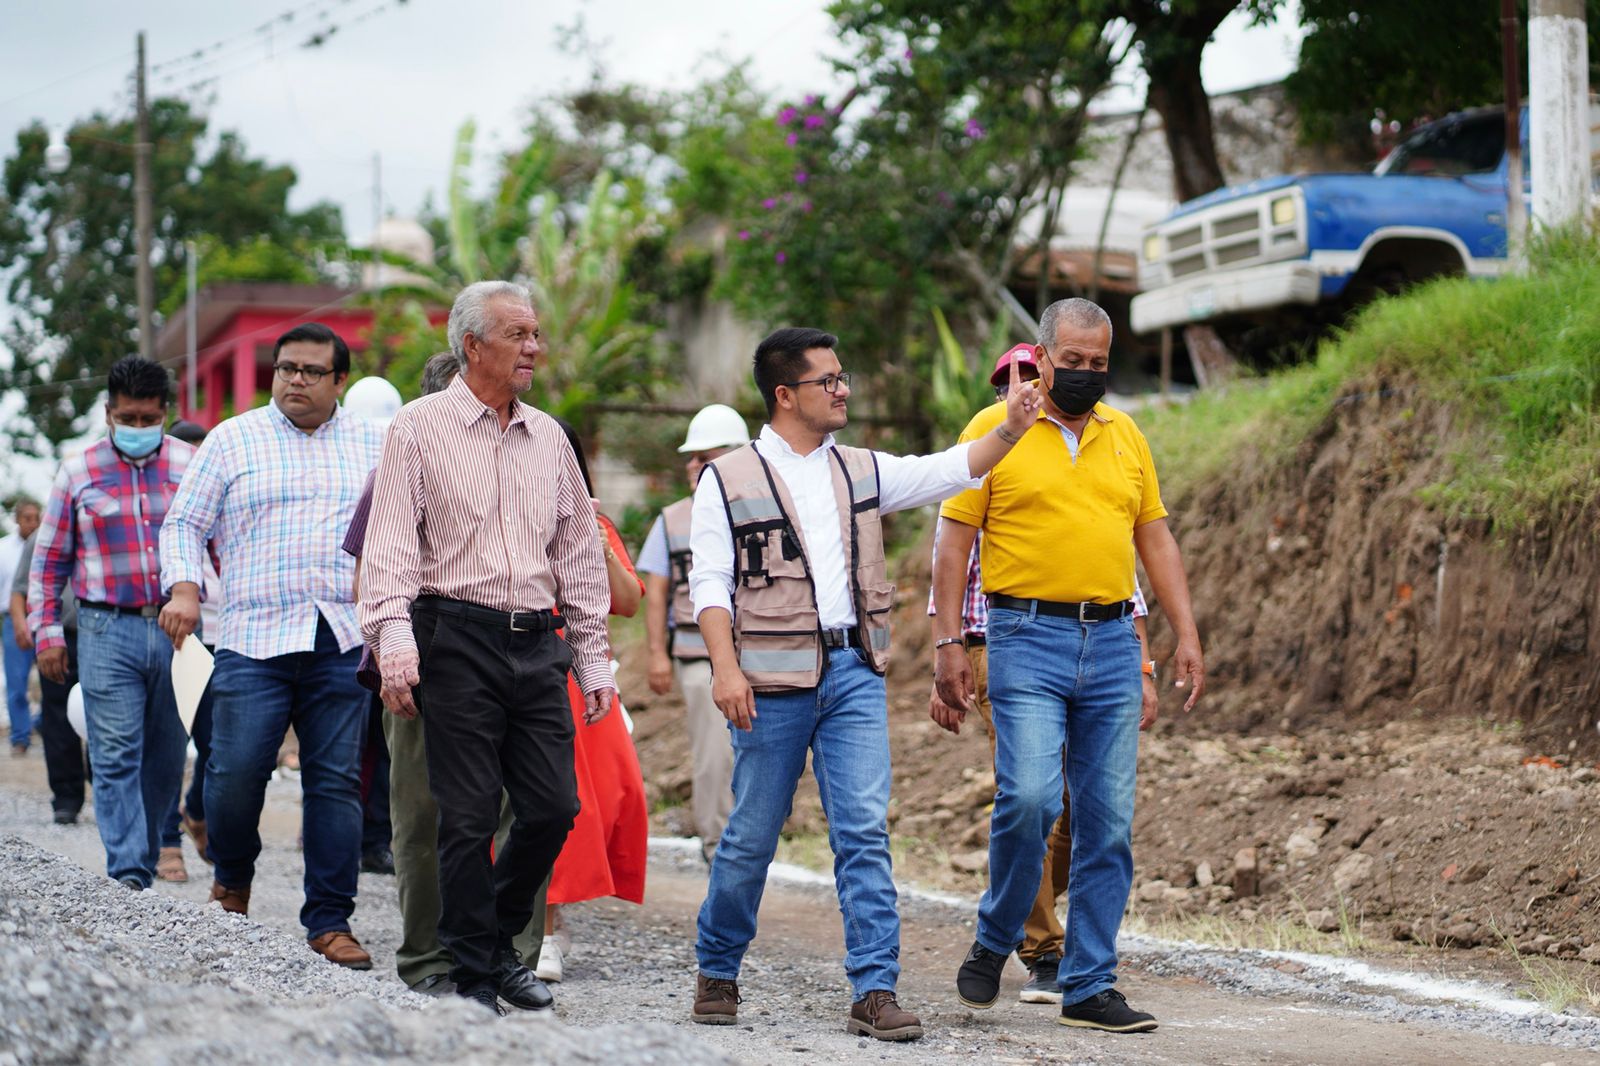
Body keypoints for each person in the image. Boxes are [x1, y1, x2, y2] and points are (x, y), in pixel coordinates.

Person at [686, 326, 1040, 1042]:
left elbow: (948, 469)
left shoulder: (861, 469)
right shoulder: (728, 479)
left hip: (853, 673)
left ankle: (874, 988)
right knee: (752, 835)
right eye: (829, 380)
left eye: (842, 377)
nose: (843, 389)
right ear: (786, 395)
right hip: (772, 680)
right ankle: (717, 967)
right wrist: (724, 668)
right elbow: (711, 584)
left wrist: (1011, 427)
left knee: (863, 833)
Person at [934, 298, 1204, 1035]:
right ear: (1042, 358)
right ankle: (998, 936)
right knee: (1028, 799)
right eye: (1072, 362)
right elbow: (954, 544)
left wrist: (1184, 632)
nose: (1086, 374)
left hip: (1115, 644)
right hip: (1024, 637)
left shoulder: (1127, 436)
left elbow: (1156, 540)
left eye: (1098, 363)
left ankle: (1088, 983)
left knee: (1107, 822)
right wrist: (949, 642)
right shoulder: (995, 431)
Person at [360, 281, 615, 1016]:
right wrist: (396, 646)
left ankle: (496, 944)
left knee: (552, 808)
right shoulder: (417, 428)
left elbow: (578, 556)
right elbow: (390, 551)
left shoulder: (550, 439)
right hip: (456, 637)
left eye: (536, 333)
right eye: (519, 334)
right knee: (466, 817)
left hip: (537, 643)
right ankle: (473, 975)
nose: (535, 346)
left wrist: (594, 660)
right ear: (473, 346)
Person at [159, 323, 383, 970]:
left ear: (340, 381)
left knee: (336, 783)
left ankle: (329, 920)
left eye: (312, 371)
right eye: (286, 369)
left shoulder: (375, 444)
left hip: (341, 637)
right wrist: (184, 591)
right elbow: (184, 525)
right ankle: (232, 883)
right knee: (233, 775)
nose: (296, 380)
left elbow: (401, 528)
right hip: (252, 640)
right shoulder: (233, 439)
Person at [341, 351, 532, 997]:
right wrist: (396, 654)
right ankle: (429, 961)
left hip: (514, 661)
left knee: (516, 810)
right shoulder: (396, 471)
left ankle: (507, 955)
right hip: (424, 660)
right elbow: (368, 581)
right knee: (424, 816)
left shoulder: (529, 464)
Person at [29, 356, 193, 890]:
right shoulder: (79, 471)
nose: (139, 428)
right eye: (129, 418)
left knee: (167, 758)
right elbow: (49, 562)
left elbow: (220, 546)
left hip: (179, 635)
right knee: (115, 751)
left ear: (165, 413)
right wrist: (48, 633)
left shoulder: (192, 466)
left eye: (149, 419)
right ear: (108, 413)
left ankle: (145, 852)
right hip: (105, 631)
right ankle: (128, 873)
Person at [538, 419, 650, 984]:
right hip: (522, 660)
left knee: (600, 797)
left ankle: (547, 929)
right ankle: (533, 929)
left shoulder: (596, 521)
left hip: (580, 673)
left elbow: (628, 601)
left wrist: (596, 538)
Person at [637, 404, 750, 865]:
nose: (692, 466)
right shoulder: (673, 519)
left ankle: (745, 841)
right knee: (714, 754)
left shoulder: (760, 508)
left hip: (765, 651)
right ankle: (717, 846)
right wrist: (656, 655)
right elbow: (656, 590)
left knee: (755, 753)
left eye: (704, 457)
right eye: (691, 458)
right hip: (696, 652)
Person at [341, 375, 405, 877]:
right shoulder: (344, 472)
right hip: (345, 633)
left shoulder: (400, 467)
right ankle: (345, 832)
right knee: (347, 745)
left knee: (383, 744)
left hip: (388, 630)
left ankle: (375, 838)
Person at [10, 529, 84, 822]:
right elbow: (20, 588)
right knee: (57, 715)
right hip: (58, 636)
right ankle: (67, 796)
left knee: (109, 715)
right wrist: (20, 625)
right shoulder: (42, 535)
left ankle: (105, 787)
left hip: (106, 631)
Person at [3, 498, 42, 756]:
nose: (33, 522)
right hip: (11, 619)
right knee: (16, 683)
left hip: (43, 617)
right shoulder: (3, 549)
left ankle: (36, 725)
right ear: (17, 519)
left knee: (57, 678)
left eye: (36, 517)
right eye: (27, 517)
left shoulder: (44, 543)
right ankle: (20, 738)